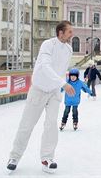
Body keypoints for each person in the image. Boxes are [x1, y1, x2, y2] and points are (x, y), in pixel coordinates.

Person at [6, 21, 75, 174]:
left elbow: (61, 69)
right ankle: (14, 157)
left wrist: (62, 84)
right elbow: (45, 66)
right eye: (69, 31)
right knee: (27, 124)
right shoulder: (47, 45)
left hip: (54, 92)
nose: (72, 34)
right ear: (61, 32)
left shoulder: (69, 49)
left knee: (51, 125)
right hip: (39, 89)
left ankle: (47, 158)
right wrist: (64, 83)